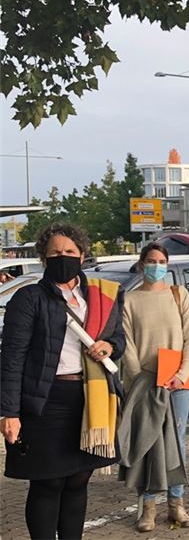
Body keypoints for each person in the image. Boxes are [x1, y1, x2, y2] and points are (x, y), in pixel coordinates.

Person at [1, 223, 124, 540]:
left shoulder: (101, 296)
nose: (63, 257)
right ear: (43, 257)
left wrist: (109, 346)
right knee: (48, 481)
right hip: (44, 403)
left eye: (70, 251)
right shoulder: (28, 299)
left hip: (88, 399)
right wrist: (9, 413)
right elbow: (12, 357)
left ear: (82, 255)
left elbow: (118, 340)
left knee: (78, 479)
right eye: (55, 252)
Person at [119, 243, 189, 532]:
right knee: (148, 442)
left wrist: (181, 373)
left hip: (178, 383)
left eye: (162, 261)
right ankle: (148, 507)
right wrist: (140, 378)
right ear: (141, 265)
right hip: (144, 382)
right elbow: (126, 344)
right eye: (151, 261)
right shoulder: (129, 299)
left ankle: (176, 505)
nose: (157, 266)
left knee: (177, 443)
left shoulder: (178, 295)